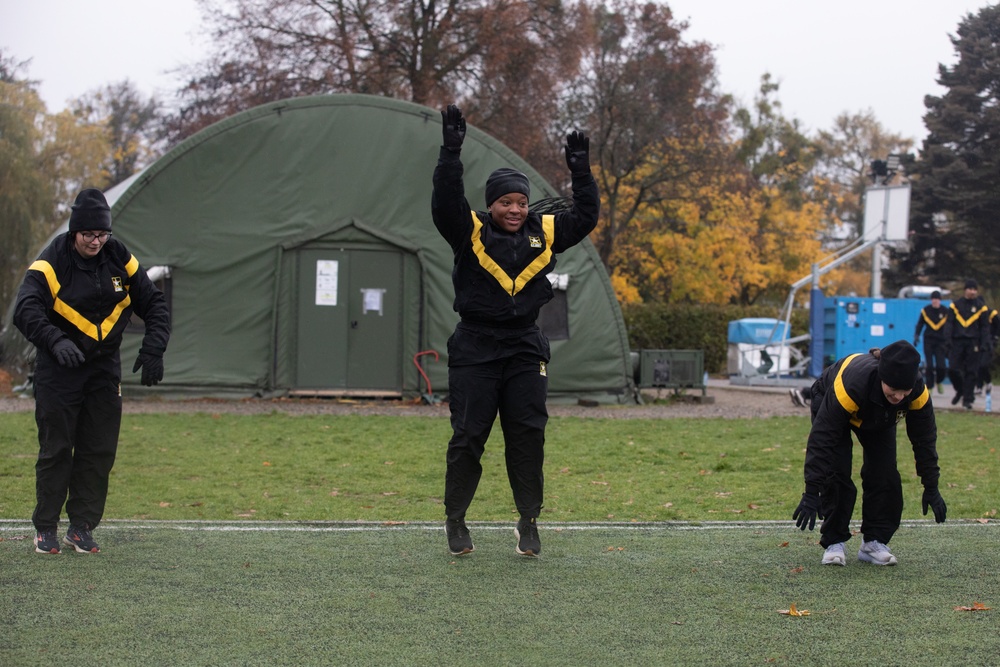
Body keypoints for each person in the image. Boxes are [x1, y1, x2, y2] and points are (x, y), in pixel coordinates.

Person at [431, 104, 599, 557]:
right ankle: (456, 520)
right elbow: (445, 201)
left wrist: (581, 173)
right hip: (475, 345)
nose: (515, 209)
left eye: (521, 202)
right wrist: (451, 151)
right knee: (469, 435)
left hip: (525, 346)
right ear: (492, 204)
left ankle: (528, 521)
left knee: (528, 434)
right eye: (506, 202)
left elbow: (585, 218)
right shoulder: (469, 231)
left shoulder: (542, 231)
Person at [13, 188, 171, 554]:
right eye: (89, 235)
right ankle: (46, 528)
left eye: (103, 235)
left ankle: (81, 526)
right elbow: (26, 309)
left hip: (103, 369)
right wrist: (55, 340)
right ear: (74, 233)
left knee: (98, 449)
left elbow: (155, 303)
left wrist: (154, 348)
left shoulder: (119, 258)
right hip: (60, 368)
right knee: (57, 448)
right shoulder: (52, 261)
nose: (96, 242)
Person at [792, 340, 946, 567]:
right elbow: (822, 440)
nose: (899, 397)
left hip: (878, 416)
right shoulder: (852, 386)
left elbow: (924, 441)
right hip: (831, 398)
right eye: (893, 390)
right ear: (883, 378)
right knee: (837, 470)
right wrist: (811, 491)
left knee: (884, 473)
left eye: (905, 392)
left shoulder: (916, 393)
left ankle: (874, 541)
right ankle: (834, 541)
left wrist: (931, 486)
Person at [947, 279, 990, 409]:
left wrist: (984, 343)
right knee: (953, 369)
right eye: (970, 289)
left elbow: (984, 327)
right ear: (965, 290)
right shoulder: (955, 305)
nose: (972, 292)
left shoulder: (981, 307)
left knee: (971, 371)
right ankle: (960, 390)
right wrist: (947, 339)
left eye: (974, 289)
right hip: (957, 341)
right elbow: (949, 323)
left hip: (973, 342)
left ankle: (967, 399)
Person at [913, 290, 950, 395]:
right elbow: (920, 324)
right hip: (928, 340)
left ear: (940, 300)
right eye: (933, 299)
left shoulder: (945, 311)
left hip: (941, 342)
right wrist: (916, 335)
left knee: (941, 366)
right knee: (929, 366)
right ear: (931, 300)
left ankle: (939, 381)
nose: (935, 301)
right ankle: (930, 386)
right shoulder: (926, 310)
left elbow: (949, 326)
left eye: (937, 299)